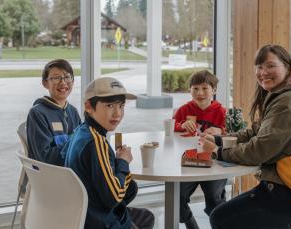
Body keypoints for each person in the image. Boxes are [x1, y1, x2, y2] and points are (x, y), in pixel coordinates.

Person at [201, 44, 291, 229]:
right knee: (220, 215)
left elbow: (259, 151)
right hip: (287, 187)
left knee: (221, 218)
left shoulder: (289, 103)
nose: (263, 72)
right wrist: (220, 140)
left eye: (270, 66)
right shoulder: (282, 96)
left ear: (287, 66)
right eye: (259, 67)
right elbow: (255, 132)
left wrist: (218, 152)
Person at [64, 77, 155, 229]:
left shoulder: (81, 131)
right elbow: (115, 197)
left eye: (121, 106)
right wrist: (123, 162)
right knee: (144, 218)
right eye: (110, 105)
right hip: (99, 221)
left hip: (82, 215)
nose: (117, 113)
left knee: (146, 217)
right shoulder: (96, 142)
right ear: (88, 106)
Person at [173, 70, 227, 229]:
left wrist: (220, 131)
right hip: (189, 161)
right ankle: (191, 225)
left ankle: (220, 223)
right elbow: (172, 127)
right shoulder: (184, 110)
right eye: (195, 88)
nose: (200, 93)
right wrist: (181, 125)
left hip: (214, 162)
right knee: (177, 198)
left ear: (214, 90)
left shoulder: (222, 112)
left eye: (205, 88)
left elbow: (232, 133)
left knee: (214, 199)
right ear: (190, 90)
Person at [26, 59, 81, 166]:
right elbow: (44, 157)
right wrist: (78, 146)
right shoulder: (38, 113)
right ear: (45, 83)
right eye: (56, 78)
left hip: (71, 170)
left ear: (73, 81)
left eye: (67, 77)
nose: (63, 82)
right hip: (54, 175)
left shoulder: (72, 111)